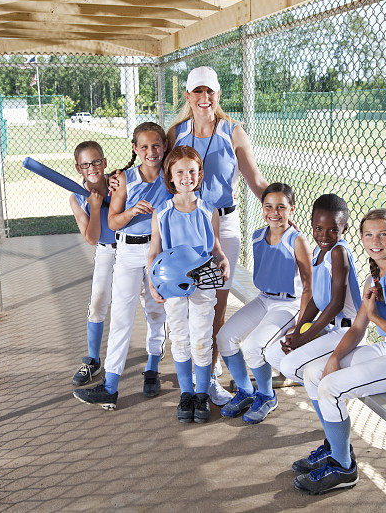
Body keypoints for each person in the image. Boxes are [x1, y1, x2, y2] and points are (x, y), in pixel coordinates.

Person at [293, 208, 386, 494]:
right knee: (315, 373)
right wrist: (335, 357)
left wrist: (375, 317)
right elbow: (358, 328)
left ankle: (343, 467)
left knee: (332, 387)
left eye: (384, 234)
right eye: (370, 234)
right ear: (360, 237)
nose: (376, 240)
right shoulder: (374, 275)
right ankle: (334, 447)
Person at [167, 66, 269, 406]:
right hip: (186, 222)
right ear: (187, 96)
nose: (204, 98)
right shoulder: (177, 133)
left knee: (216, 304)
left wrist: (278, 207)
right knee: (184, 301)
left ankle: (208, 376)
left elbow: (254, 178)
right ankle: (191, 373)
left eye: (210, 92)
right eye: (197, 91)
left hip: (223, 224)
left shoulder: (232, 131)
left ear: (218, 95)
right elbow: (161, 175)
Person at [73, 122, 171, 410]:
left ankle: (152, 367)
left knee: (155, 311)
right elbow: (113, 221)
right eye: (144, 146)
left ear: (165, 146)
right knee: (121, 317)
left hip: (158, 250)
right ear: (135, 149)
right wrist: (132, 210)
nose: (151, 151)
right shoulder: (124, 179)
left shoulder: (171, 176)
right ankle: (110, 386)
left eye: (156, 145)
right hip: (127, 250)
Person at [216, 183, 312, 424]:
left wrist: (301, 324)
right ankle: (246, 391)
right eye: (268, 206)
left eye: (281, 207)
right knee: (224, 337)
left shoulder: (297, 240)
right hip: (264, 299)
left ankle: (267, 396)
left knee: (253, 346)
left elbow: (309, 287)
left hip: (289, 305)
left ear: (291, 209)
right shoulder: (258, 235)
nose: (274, 212)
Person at [148, 146, 230, 423]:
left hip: (203, 281)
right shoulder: (161, 213)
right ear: (170, 176)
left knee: (201, 337)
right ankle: (186, 393)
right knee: (180, 336)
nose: (186, 177)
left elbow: (216, 247)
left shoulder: (209, 210)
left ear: (199, 175)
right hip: (172, 285)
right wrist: (152, 282)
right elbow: (154, 252)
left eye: (192, 171)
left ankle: (202, 394)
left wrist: (223, 260)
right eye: (180, 171)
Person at [262, 194, 362, 385]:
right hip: (328, 327)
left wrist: (304, 337)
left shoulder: (338, 252)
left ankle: (332, 391)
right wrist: (298, 331)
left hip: (346, 331)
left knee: (292, 367)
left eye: (333, 229)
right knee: (274, 354)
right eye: (318, 228)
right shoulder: (318, 251)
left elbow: (336, 303)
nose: (324, 236)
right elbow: (316, 299)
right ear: (312, 224)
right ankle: (324, 387)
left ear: (345, 228)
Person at [67, 141, 117, 387]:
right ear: (79, 168)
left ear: (104, 162)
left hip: (132, 248)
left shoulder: (118, 183)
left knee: (148, 302)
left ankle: (153, 356)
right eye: (86, 164)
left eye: (96, 162)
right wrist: (95, 208)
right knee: (97, 301)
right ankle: (93, 359)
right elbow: (91, 238)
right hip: (105, 251)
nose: (92, 167)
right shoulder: (76, 197)